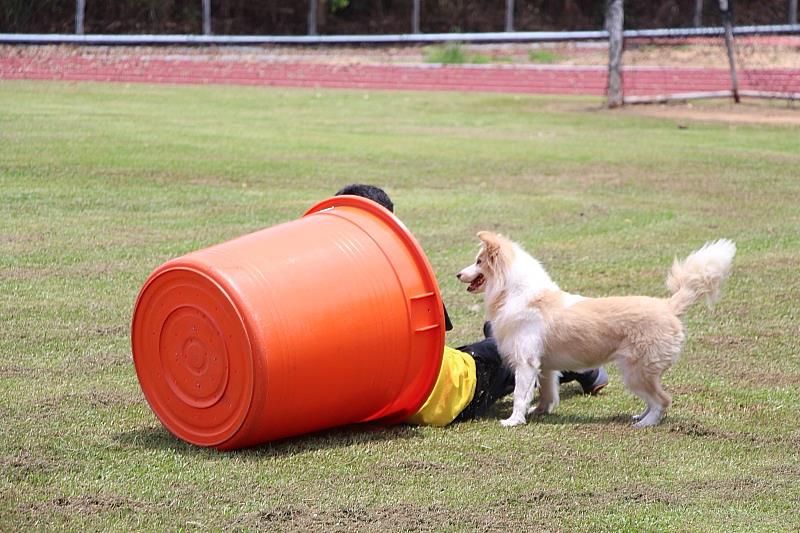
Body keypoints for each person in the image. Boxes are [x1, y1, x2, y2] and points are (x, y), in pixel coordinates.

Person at [335, 184, 608, 426]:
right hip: (451, 389)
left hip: (438, 386)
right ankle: (578, 366)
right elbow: (437, 329)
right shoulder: (396, 272)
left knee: (510, 343)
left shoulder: (354, 278)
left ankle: (577, 367)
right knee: (509, 344)